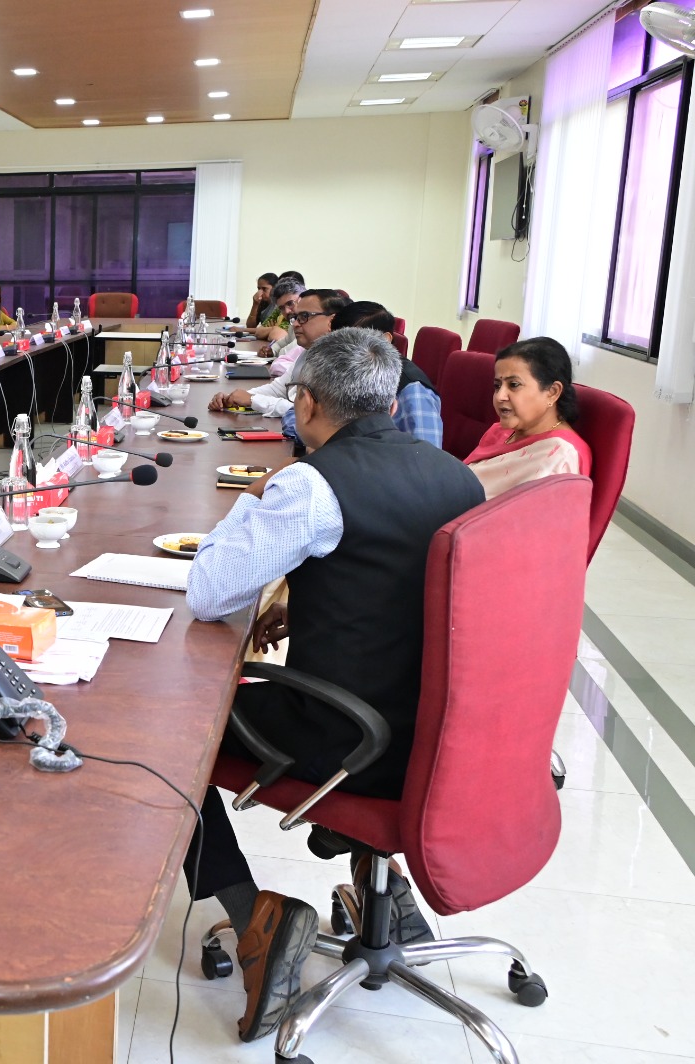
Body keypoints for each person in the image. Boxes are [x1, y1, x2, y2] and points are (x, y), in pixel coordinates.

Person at [184, 329, 485, 1043]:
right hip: (441, 735)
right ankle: (391, 899)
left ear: (310, 404)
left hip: (349, 740)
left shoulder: (310, 486)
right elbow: (404, 583)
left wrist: (254, 501)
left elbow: (209, 592)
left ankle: (256, 916)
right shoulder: (456, 474)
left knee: (166, 734)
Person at [464, 337, 591, 497]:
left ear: (552, 392)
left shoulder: (559, 455)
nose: (500, 396)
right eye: (497, 386)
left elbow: (525, 518)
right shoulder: (500, 431)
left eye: (514, 385)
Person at [209, 290, 349, 415]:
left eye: (304, 316)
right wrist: (233, 398)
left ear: (332, 321)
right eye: (296, 317)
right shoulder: (308, 353)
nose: (295, 324)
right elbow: (278, 389)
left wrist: (253, 400)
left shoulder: (342, 363)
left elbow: (308, 413)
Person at [330, 301, 442, 448]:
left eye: (353, 341)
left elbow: (427, 458)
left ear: (385, 340)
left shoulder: (412, 390)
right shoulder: (349, 372)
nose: (343, 350)